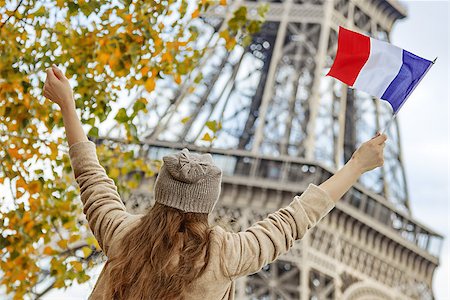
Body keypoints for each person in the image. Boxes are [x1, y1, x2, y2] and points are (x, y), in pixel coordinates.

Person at [43, 64, 387, 300]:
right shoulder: (222, 256)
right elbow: (295, 219)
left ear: (160, 194)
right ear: (208, 204)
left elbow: (91, 178)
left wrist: (68, 106)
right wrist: (356, 166)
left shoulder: (123, 236)